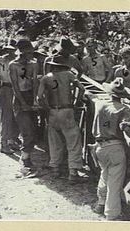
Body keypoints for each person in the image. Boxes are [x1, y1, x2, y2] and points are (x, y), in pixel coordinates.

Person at [90, 78, 130, 221]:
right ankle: (111, 214)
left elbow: (91, 97)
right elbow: (125, 128)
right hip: (115, 147)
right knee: (115, 182)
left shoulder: (99, 105)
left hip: (100, 147)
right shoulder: (123, 108)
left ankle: (100, 204)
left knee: (104, 175)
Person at [36, 55, 87, 185]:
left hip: (53, 111)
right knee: (73, 141)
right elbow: (81, 88)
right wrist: (77, 102)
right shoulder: (68, 75)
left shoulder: (46, 78)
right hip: (67, 110)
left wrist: (47, 108)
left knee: (54, 141)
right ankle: (73, 173)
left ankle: (55, 169)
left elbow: (39, 97)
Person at [9, 38, 39, 174]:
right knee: (27, 130)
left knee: (33, 130)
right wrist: (23, 103)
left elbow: (34, 83)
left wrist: (35, 100)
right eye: (29, 53)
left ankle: (27, 156)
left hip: (30, 95)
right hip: (19, 98)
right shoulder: (13, 65)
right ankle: (25, 158)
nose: (31, 55)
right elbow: (15, 87)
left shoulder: (33, 64)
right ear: (22, 53)